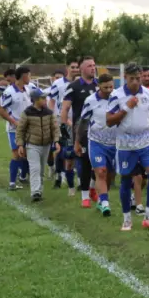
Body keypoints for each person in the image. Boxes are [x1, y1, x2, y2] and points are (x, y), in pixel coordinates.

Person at [106, 63, 149, 232]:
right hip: (125, 143)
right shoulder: (116, 95)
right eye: (132, 79)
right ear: (125, 78)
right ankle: (126, 219)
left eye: (138, 79)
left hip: (146, 141)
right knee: (126, 178)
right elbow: (109, 121)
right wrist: (126, 108)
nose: (135, 82)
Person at [62, 56, 99, 208]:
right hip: (82, 131)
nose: (93, 68)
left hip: (99, 131)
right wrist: (68, 127)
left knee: (98, 163)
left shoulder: (99, 85)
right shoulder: (74, 86)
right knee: (85, 162)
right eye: (90, 65)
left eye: (94, 65)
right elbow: (64, 110)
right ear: (82, 69)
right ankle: (85, 196)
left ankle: (92, 187)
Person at [79, 73, 118, 217]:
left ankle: (101, 197)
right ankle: (105, 202)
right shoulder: (91, 101)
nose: (109, 90)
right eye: (105, 87)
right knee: (100, 171)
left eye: (111, 87)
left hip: (115, 142)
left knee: (110, 174)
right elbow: (83, 121)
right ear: (99, 86)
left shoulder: (117, 98)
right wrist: (77, 141)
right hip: (96, 141)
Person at [15, 88, 61, 202]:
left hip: (46, 145)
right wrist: (20, 145)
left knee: (41, 169)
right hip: (32, 145)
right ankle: (35, 192)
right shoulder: (27, 113)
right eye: (43, 98)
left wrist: (56, 141)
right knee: (35, 168)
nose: (45, 100)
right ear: (35, 99)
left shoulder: (49, 113)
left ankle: (39, 190)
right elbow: (20, 130)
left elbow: (55, 128)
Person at [0, 66, 33, 191]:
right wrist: (15, 122)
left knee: (27, 154)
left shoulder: (28, 90)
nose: (30, 78)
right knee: (16, 154)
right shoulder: (9, 92)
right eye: (29, 75)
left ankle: (23, 177)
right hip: (14, 129)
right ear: (23, 76)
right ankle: (12, 183)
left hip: (28, 129)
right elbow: (1, 111)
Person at [47, 60, 79, 191]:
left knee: (78, 151)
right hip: (63, 122)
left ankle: (78, 179)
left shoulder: (81, 83)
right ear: (67, 68)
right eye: (73, 67)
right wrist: (52, 119)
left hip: (79, 122)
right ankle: (59, 177)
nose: (75, 69)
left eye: (77, 67)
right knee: (63, 149)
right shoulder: (58, 84)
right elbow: (52, 102)